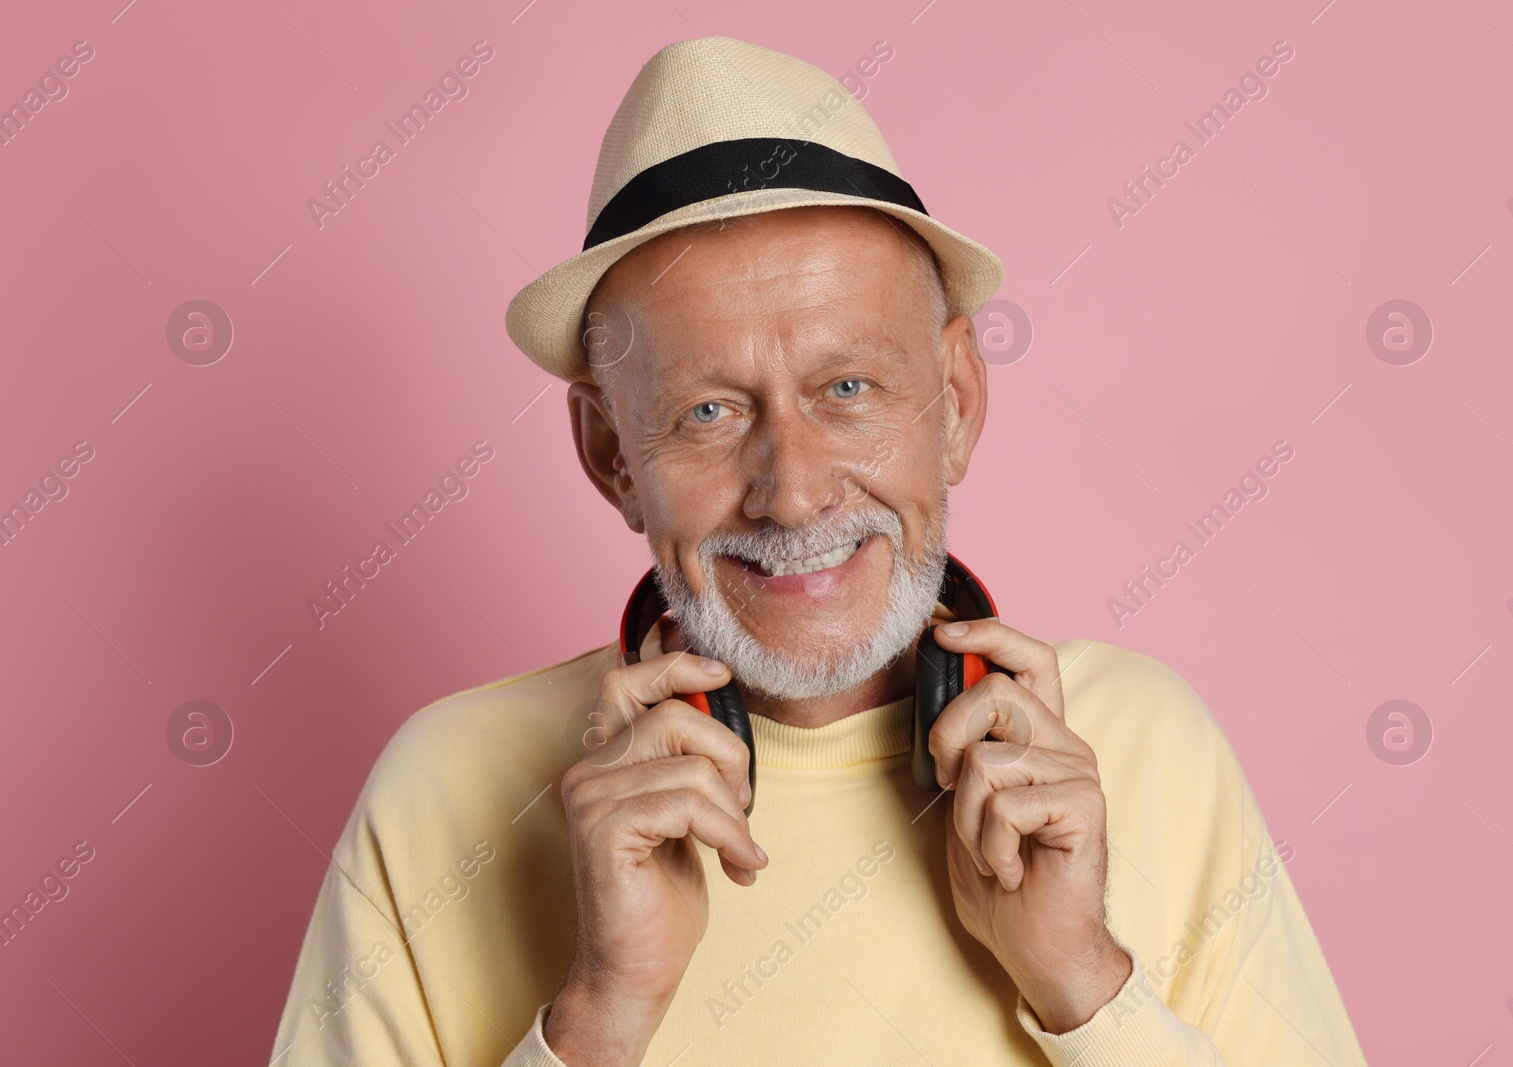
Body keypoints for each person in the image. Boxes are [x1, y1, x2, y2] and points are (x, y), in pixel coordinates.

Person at [270, 36, 1368, 1066]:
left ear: (956, 401)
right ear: (609, 451)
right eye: (707, 411)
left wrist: (1085, 981)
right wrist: (601, 1014)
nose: (791, 492)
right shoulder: (440, 792)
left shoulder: (1146, 746)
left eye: (847, 389)